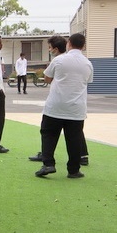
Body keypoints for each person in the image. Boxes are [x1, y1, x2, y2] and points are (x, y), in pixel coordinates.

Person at [34, 33, 93, 179]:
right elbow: (87, 81)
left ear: (68, 44)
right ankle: (73, 170)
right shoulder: (88, 63)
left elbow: (47, 79)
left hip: (56, 106)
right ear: (83, 46)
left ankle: (48, 164)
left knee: (48, 134)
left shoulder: (59, 60)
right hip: (76, 108)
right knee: (74, 139)